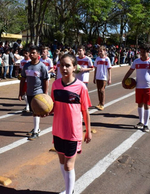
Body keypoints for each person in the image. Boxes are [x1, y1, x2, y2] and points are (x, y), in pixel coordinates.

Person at [51, 54, 92, 194]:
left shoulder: (80, 87)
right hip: (58, 130)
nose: (64, 68)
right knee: (62, 162)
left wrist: (88, 131)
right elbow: (51, 106)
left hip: (73, 132)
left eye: (68, 65)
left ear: (75, 67)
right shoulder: (55, 85)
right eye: (62, 65)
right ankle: (69, 189)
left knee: (69, 165)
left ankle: (70, 192)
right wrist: (43, 111)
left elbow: (85, 111)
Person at [122, 44, 150, 132]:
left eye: (143, 52)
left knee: (147, 105)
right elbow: (130, 71)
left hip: (148, 87)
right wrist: (123, 80)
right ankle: (141, 122)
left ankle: (146, 124)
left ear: (148, 52)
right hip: (138, 86)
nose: (141, 53)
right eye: (140, 52)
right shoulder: (136, 61)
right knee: (140, 104)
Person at [18, 45, 49, 140]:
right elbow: (22, 79)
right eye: (30, 52)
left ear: (38, 54)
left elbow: (45, 80)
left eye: (33, 53)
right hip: (29, 92)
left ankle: (36, 131)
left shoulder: (42, 66)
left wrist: (45, 93)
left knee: (36, 111)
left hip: (38, 92)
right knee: (33, 111)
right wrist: (21, 92)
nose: (31, 54)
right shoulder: (26, 66)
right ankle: (36, 128)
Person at [93, 46, 112, 111]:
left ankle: (102, 104)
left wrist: (109, 78)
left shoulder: (107, 59)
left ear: (104, 51)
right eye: (99, 51)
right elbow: (95, 69)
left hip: (104, 77)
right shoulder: (97, 59)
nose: (100, 52)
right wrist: (94, 77)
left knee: (102, 90)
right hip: (98, 77)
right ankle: (99, 103)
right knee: (98, 90)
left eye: (101, 51)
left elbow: (109, 69)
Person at [19, 48, 31, 112]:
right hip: (24, 79)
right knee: (23, 94)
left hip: (29, 79)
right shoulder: (22, 61)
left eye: (26, 53)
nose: (25, 54)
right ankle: (28, 104)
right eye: (24, 53)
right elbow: (21, 70)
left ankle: (28, 105)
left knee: (28, 93)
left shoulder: (31, 61)